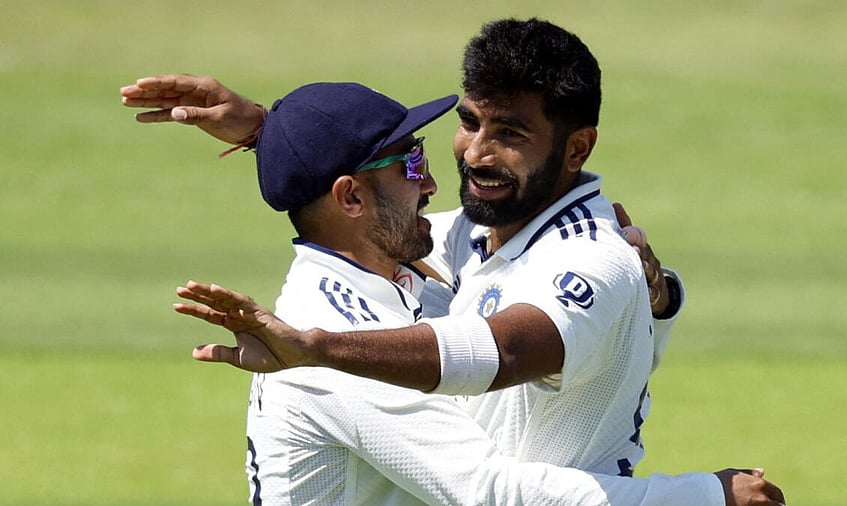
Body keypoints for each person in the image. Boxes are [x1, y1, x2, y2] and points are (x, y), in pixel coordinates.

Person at [125, 18, 785, 506]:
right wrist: (707, 495)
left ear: (576, 147)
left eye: (509, 133)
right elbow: (488, 483)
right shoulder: (336, 344)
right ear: (350, 196)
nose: (457, 164)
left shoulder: (402, 256)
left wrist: (280, 133)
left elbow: (560, 291)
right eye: (413, 161)